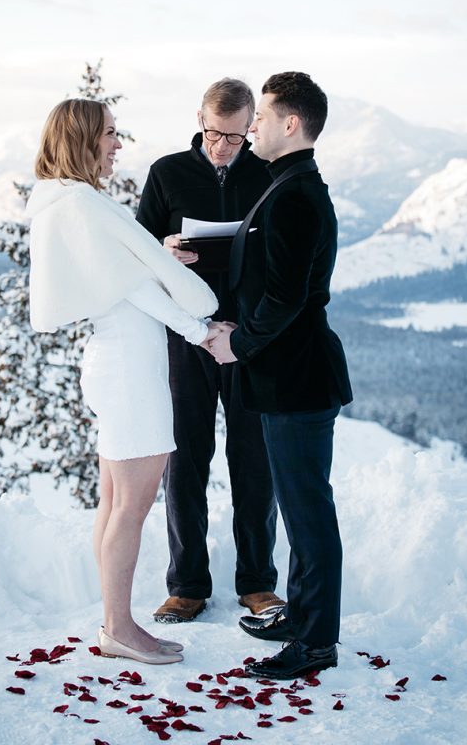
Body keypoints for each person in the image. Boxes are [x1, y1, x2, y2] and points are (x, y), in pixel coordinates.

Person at [26, 97, 220, 665]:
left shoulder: (70, 203)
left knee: (114, 502)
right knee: (130, 505)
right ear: (82, 138)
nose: (118, 143)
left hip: (114, 364)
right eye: (109, 133)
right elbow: (134, 288)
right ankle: (119, 628)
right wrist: (201, 330)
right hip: (130, 372)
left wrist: (151, 255)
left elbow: (117, 271)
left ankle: (116, 622)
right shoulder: (84, 205)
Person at [208, 72, 353, 680]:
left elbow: (286, 298)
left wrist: (236, 342)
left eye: (262, 118)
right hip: (285, 378)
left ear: (291, 124)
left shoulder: (295, 194)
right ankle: (303, 616)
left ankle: (317, 643)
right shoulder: (289, 184)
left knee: (307, 510)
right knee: (297, 506)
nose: (254, 128)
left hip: (297, 379)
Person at [136, 78, 283, 624]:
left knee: (253, 461)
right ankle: (187, 586)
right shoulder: (167, 172)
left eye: (235, 137)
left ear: (251, 128)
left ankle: (257, 583)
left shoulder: (266, 173)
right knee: (187, 459)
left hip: (247, 338)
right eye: (213, 133)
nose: (222, 147)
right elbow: (139, 251)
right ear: (199, 118)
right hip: (188, 336)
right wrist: (165, 252)